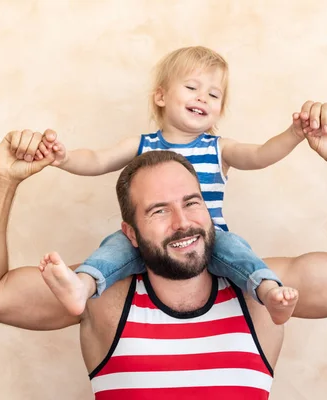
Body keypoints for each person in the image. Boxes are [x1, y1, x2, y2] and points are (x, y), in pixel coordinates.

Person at [0, 101, 327, 399]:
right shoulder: (104, 298)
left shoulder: (261, 293)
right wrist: (1, 181)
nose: (183, 222)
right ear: (129, 234)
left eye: (192, 202)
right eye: (158, 211)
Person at [19, 46, 308, 325]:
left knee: (238, 251)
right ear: (160, 96)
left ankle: (270, 293)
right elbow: (97, 160)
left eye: (213, 94)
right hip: (151, 242)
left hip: (210, 240)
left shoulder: (219, 149)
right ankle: (81, 287)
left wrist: (294, 134)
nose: (203, 98)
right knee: (114, 247)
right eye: (192, 88)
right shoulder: (141, 145)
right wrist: (65, 157)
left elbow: (261, 155)